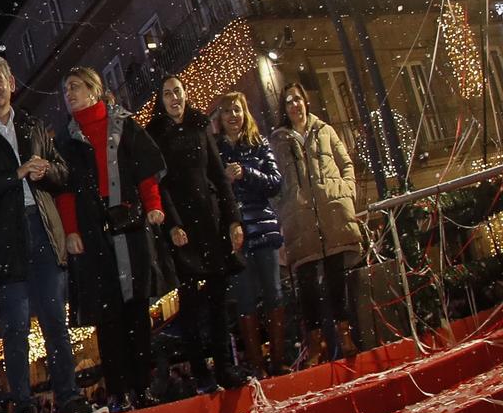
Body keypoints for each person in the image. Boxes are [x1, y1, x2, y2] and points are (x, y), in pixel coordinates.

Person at [0, 56, 96, 413]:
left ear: (11, 83)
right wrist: (15, 174)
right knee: (16, 326)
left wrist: (46, 170)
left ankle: (69, 398)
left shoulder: (33, 124)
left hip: (42, 228)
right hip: (2, 236)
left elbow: (63, 173)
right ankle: (23, 407)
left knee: (55, 320)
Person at [55, 66, 172, 413]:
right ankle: (117, 391)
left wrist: (153, 206)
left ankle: (142, 387)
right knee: (107, 316)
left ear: (94, 89)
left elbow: (145, 170)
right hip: (93, 231)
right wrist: (72, 230)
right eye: (66, 90)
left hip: (129, 223)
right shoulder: (67, 141)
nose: (69, 94)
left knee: (136, 310)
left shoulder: (123, 125)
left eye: (75, 87)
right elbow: (66, 193)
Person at [147, 76, 250, 390]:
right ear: (161, 100)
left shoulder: (201, 124)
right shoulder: (155, 134)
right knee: (190, 302)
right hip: (182, 225)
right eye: (167, 94)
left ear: (185, 93)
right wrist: (173, 224)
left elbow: (218, 174)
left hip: (210, 218)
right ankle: (200, 373)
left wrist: (233, 219)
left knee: (219, 298)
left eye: (178, 91)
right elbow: (160, 184)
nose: (174, 98)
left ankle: (224, 367)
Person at [272, 82, 364, 363]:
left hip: (331, 212)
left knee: (337, 277)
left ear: (305, 102)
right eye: (288, 102)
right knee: (307, 282)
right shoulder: (278, 140)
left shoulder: (324, 130)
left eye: (298, 99)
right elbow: (275, 182)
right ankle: (315, 341)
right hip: (299, 219)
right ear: (284, 108)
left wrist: (346, 190)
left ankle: (344, 333)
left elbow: (346, 162)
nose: (294, 105)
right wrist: (283, 206)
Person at [212, 91, 287, 376]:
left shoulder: (258, 144)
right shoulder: (216, 150)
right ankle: (256, 365)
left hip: (263, 230)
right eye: (227, 111)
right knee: (244, 300)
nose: (233, 116)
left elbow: (275, 183)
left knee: (274, 294)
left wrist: (247, 173)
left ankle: (278, 360)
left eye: (237, 110)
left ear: (245, 114)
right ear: (220, 117)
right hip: (235, 237)